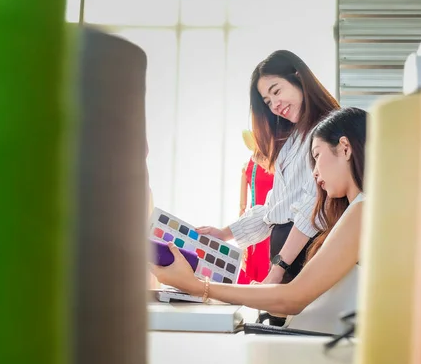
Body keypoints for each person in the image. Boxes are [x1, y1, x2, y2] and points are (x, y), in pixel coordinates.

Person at [152, 108, 368, 334]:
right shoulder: (357, 211)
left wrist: (198, 287)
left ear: (344, 148)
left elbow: (294, 298)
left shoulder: (363, 210)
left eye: (316, 155)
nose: (314, 172)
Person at [197, 50, 340, 285]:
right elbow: (272, 210)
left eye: (276, 91)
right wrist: (224, 233)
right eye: (268, 101)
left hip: (306, 255)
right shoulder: (292, 140)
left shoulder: (325, 132)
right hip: (288, 258)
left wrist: (278, 268)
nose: (275, 105)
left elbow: (314, 206)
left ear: (298, 78)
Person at [238, 130, 274, 285]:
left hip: (258, 222)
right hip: (270, 221)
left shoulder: (250, 166)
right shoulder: (273, 164)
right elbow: (242, 207)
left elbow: (242, 207)